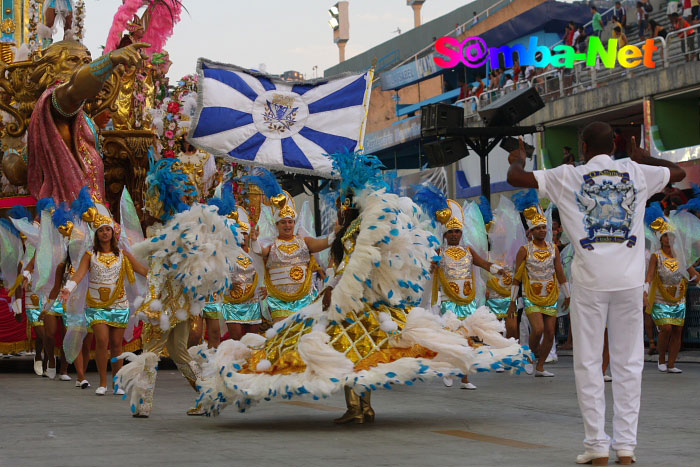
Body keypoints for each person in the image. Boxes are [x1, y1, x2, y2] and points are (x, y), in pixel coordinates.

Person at [193, 153, 530, 421]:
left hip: (357, 304)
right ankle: (360, 408)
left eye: (346, 202)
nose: (343, 207)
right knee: (357, 358)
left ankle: (358, 408)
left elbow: (355, 264)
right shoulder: (349, 232)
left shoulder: (361, 230)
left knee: (352, 356)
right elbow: (341, 260)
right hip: (348, 301)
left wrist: (333, 288)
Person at [506, 121, 685, 465]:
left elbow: (517, 179)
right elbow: (676, 173)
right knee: (629, 363)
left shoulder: (568, 175)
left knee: (589, 363)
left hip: (590, 281)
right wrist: (646, 156)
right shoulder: (635, 171)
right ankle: (626, 448)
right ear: (614, 146)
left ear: (583, 147)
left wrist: (517, 159)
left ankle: (597, 447)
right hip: (629, 281)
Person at [27, 40, 148, 206]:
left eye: (86, 61)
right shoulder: (56, 97)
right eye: (72, 60)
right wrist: (110, 60)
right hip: (70, 211)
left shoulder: (79, 110)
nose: (82, 66)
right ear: (50, 69)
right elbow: (77, 87)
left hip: (89, 204)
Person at [60, 203, 148, 395]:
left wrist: (161, 274)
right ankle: (102, 382)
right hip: (96, 305)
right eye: (101, 230)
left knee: (117, 345)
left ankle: (118, 382)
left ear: (113, 233)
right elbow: (79, 275)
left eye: (108, 229)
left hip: (119, 304)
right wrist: (68, 289)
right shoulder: (90, 255)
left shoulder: (123, 255)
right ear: (96, 234)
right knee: (101, 340)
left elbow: (142, 271)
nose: (105, 233)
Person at [427, 196, 506, 390]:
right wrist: (431, 266)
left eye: (457, 231)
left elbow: (484, 264)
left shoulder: (468, 250)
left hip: (468, 300)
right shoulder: (439, 251)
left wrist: (497, 269)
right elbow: (429, 271)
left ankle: (464, 378)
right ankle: (448, 370)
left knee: (468, 339)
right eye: (451, 231)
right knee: (453, 338)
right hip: (448, 300)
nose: (454, 234)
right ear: (445, 234)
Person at [247, 170, 335, 323]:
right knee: (282, 336)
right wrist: (254, 240)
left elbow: (323, 243)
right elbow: (260, 252)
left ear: (295, 223)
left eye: (290, 221)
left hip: (305, 299)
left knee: (304, 337)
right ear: (277, 224)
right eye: (283, 222)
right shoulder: (272, 244)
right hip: (278, 301)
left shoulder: (304, 241)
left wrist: (337, 233)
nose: (287, 225)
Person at [508, 190, 569, 377]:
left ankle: (541, 366)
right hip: (531, 296)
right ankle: (528, 355)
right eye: (538, 228)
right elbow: (517, 277)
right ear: (531, 231)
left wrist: (568, 294)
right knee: (539, 329)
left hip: (550, 295)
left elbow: (560, 272)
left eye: (544, 227)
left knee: (550, 333)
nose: (542, 230)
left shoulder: (554, 249)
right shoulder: (524, 250)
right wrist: (512, 300)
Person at [644, 203, 700, 373]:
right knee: (666, 327)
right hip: (661, 297)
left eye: (672, 236)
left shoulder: (680, 256)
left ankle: (672, 364)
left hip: (679, 297)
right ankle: (661, 359)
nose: (669, 239)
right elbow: (650, 275)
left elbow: (693, 274)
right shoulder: (656, 256)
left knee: (677, 330)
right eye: (666, 236)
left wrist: (696, 280)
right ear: (660, 238)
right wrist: (645, 293)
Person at [223, 206, 266, 340]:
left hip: (252, 300)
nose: (242, 236)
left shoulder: (255, 252)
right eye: (239, 233)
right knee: (235, 339)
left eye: (245, 233)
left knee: (252, 340)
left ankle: (251, 361)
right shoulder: (227, 253)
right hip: (232, 300)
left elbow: (264, 271)